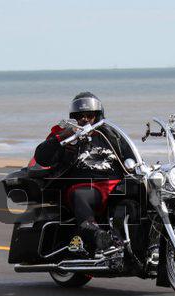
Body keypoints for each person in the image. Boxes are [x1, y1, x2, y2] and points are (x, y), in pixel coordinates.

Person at [32, 92, 132, 253]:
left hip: (116, 185)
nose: (85, 119)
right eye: (80, 116)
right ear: (73, 118)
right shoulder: (66, 136)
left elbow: (131, 159)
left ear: (98, 116)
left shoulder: (112, 135)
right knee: (80, 195)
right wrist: (62, 137)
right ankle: (95, 233)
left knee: (146, 191)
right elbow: (42, 157)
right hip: (86, 187)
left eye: (89, 115)